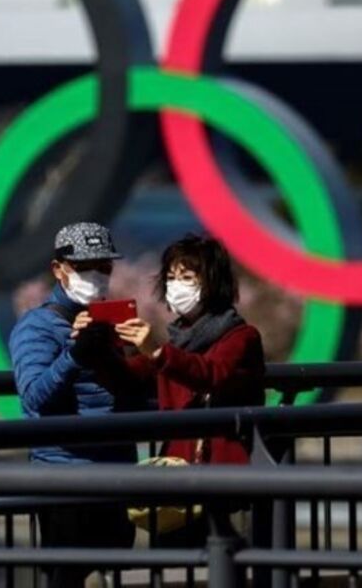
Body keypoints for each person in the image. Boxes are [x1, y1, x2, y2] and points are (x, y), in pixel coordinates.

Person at [94, 233, 266, 546]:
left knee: (222, 558)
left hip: (222, 477)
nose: (176, 286)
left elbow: (211, 374)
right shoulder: (179, 340)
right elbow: (129, 378)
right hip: (177, 478)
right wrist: (96, 344)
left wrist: (157, 352)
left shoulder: (241, 337)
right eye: (171, 277)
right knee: (176, 558)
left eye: (187, 277)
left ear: (213, 282)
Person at [8, 221, 142, 586]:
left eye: (104, 266)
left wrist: (142, 354)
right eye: (84, 267)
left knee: (114, 577)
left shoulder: (111, 323)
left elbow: (133, 397)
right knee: (68, 577)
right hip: (65, 478)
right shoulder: (36, 327)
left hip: (117, 475)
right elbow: (35, 396)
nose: (96, 276)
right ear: (59, 269)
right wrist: (76, 353)